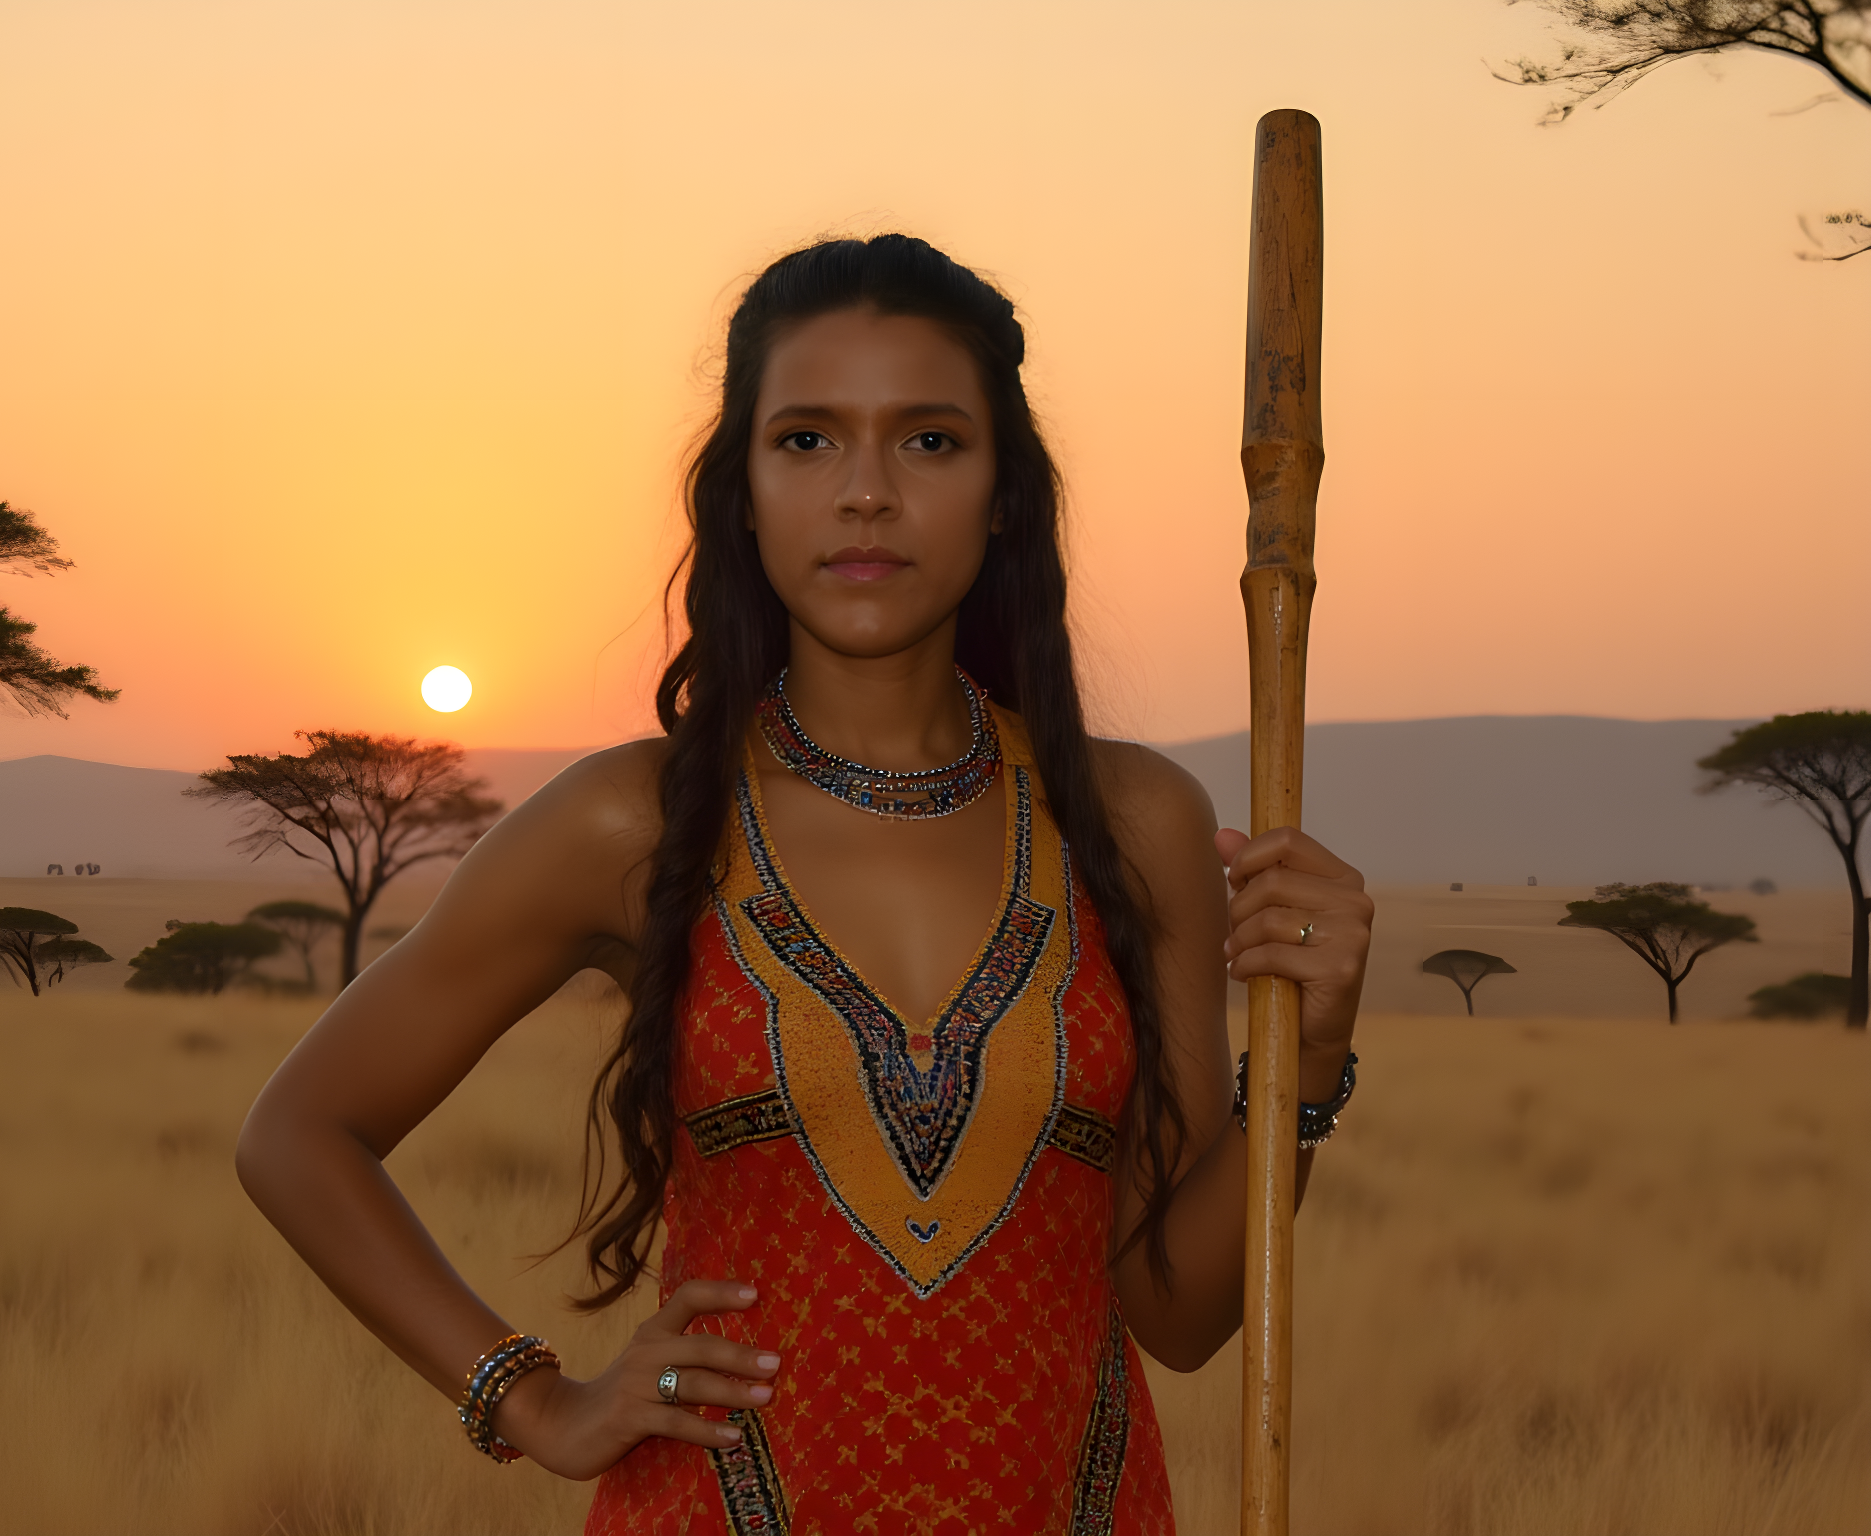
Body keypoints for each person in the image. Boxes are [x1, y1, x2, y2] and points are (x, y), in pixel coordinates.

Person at [235, 234, 1374, 1533]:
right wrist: (535, 1400)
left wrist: (1312, 1062)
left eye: (931, 440)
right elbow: (299, 1132)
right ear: (742, 493)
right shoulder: (637, 820)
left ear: (1005, 491)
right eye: (809, 440)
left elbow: (1180, 1315)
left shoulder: (1135, 824)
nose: (868, 493)